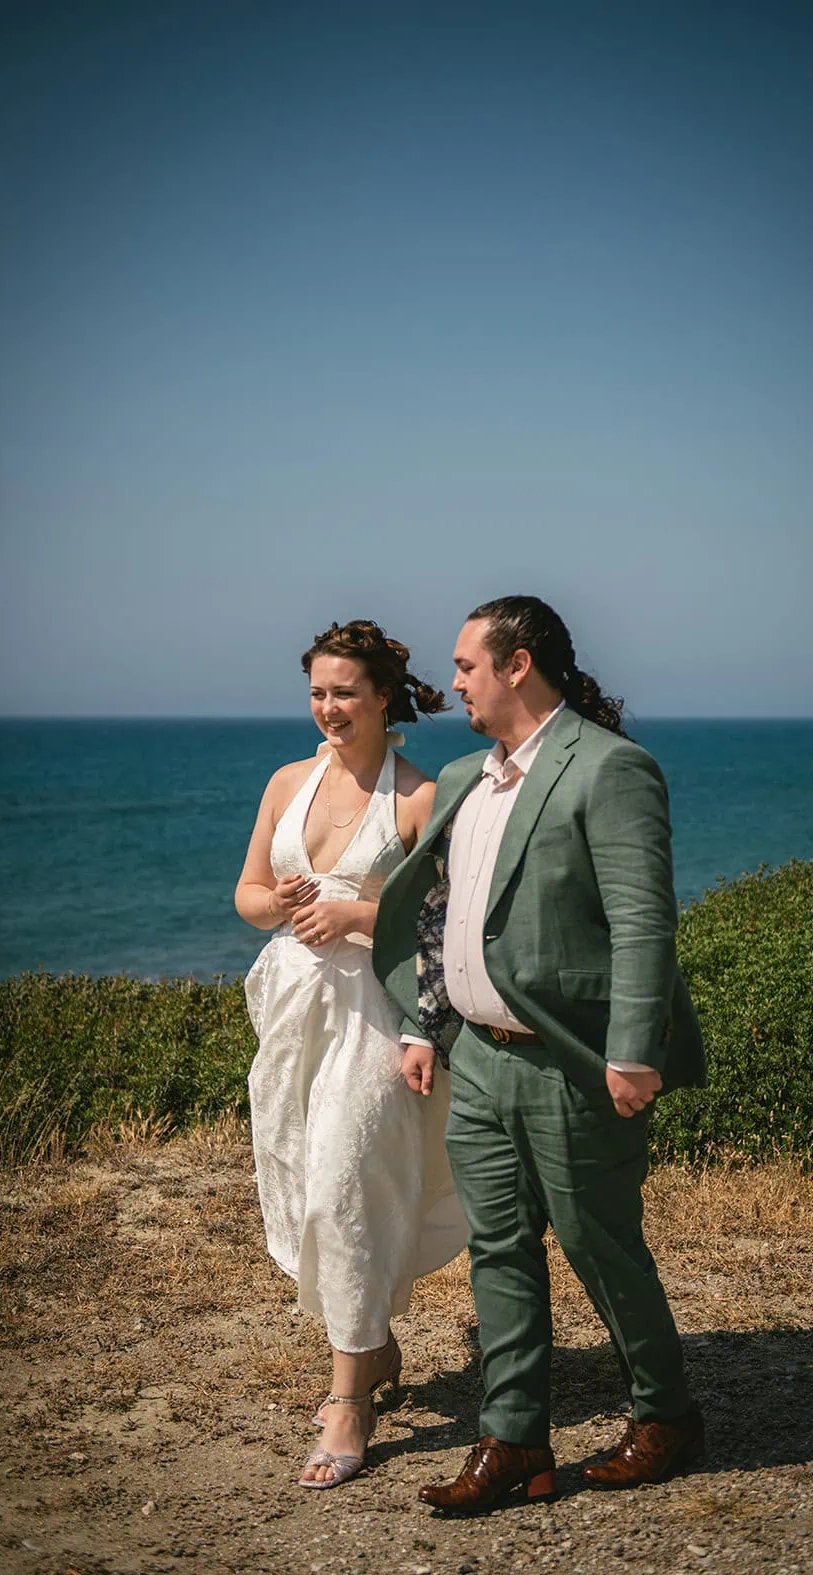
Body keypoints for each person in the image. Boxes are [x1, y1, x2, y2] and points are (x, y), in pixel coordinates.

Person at [373, 595, 706, 1513]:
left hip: (574, 1060)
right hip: (477, 1057)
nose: (454, 683)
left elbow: (644, 922)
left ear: (519, 665)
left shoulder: (611, 769)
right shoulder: (464, 776)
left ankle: (667, 1414)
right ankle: (515, 1441)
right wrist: (425, 1025)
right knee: (499, 1251)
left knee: (600, 1243)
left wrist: (634, 1051)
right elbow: (444, 918)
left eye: (467, 665)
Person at [235, 620, 467, 1490]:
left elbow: (446, 918)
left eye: (344, 692)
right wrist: (281, 901)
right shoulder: (287, 781)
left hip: (377, 1011)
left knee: (342, 1185)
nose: (328, 708)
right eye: (317, 692)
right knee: (305, 1184)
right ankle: (372, 1343)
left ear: (381, 698)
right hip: (293, 1007)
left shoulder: (416, 795)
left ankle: (347, 1405)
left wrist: (357, 915)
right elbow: (247, 892)